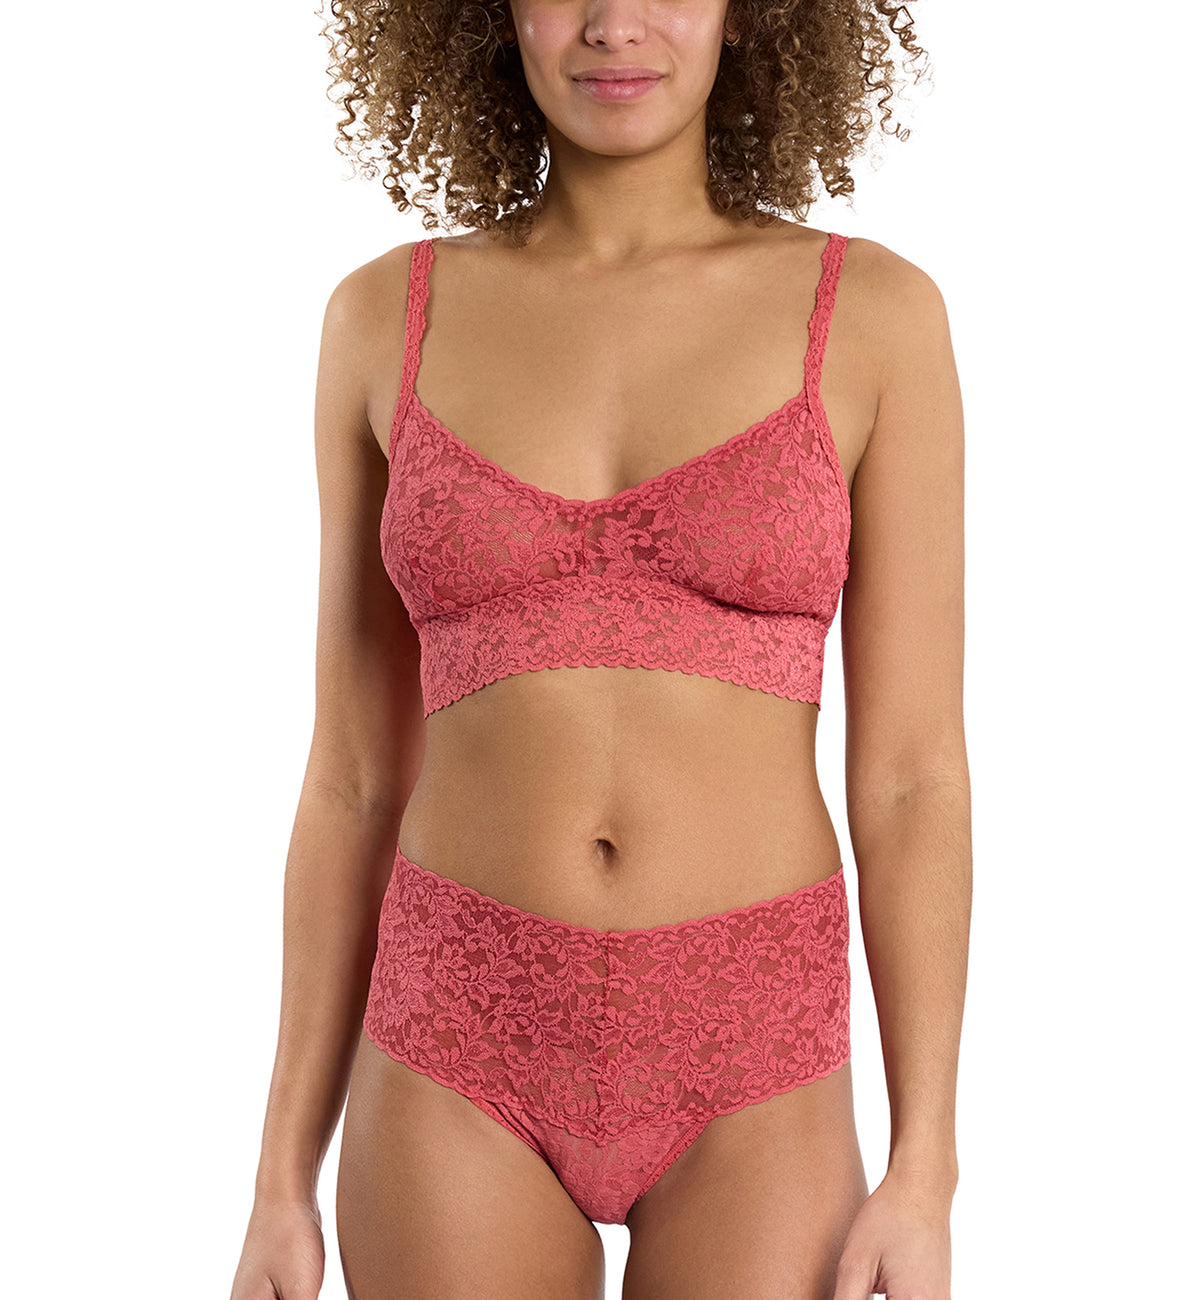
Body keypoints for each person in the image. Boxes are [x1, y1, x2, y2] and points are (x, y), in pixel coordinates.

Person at [230, 2, 970, 1297]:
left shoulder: (873, 317)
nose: (615, 24)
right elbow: (350, 778)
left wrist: (927, 1170)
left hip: (755, 1053)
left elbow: (911, 777)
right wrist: (278, 1179)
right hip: (456, 1036)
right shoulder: (382, 318)